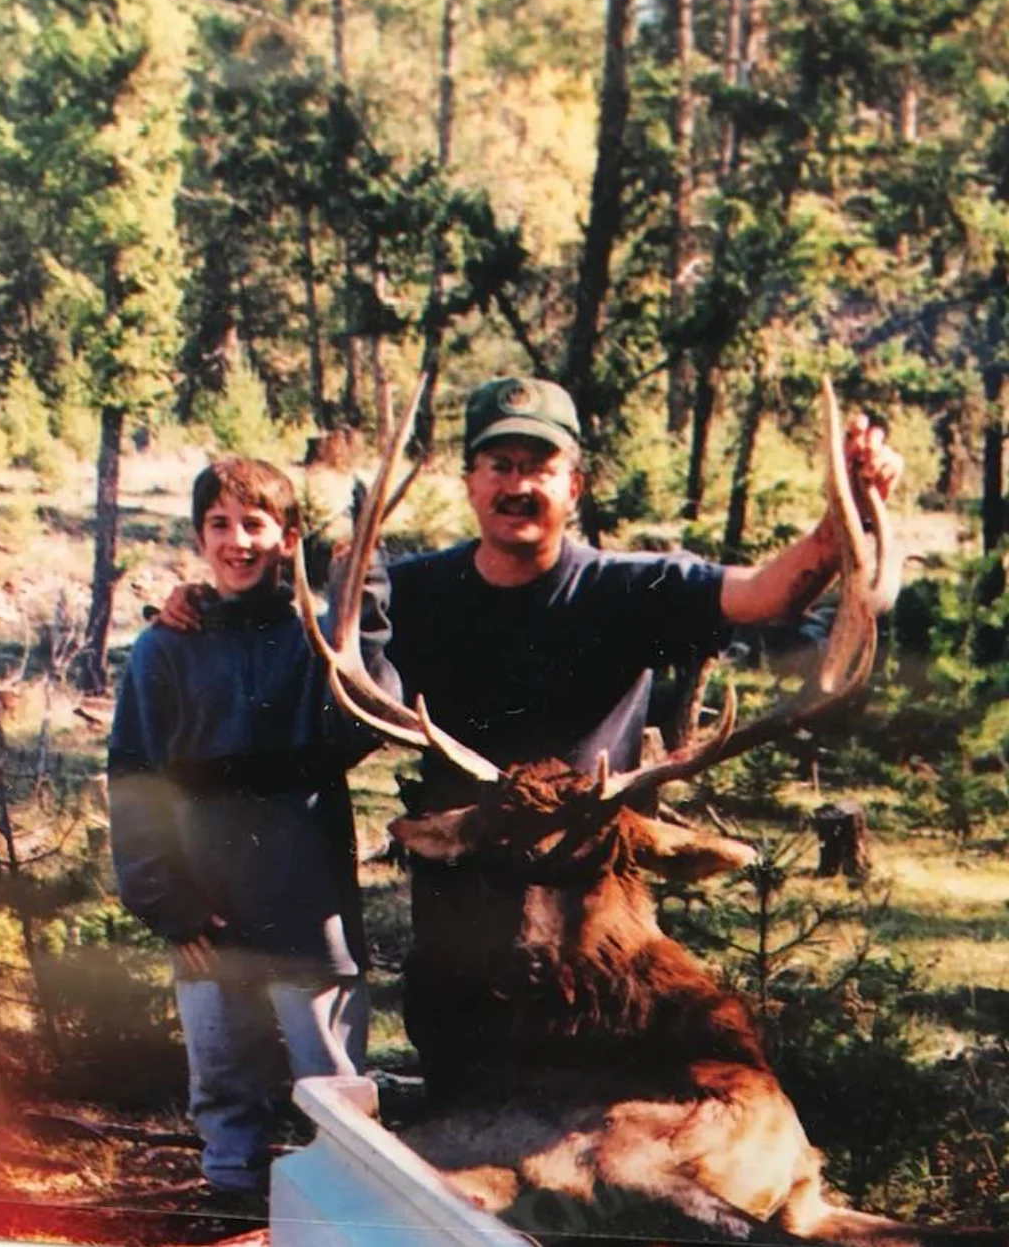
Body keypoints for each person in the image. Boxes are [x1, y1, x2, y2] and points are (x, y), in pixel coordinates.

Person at [157, 376, 902, 1084]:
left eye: (540, 468)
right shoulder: (415, 589)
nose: (518, 486)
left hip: (592, 916)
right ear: (471, 482)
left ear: (574, 485)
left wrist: (841, 523)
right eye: (500, 466)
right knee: (466, 1108)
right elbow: (303, 648)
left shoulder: (631, 588)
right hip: (462, 914)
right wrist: (205, 602)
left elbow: (771, 595)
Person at [108, 455, 393, 1209]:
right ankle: (231, 1202)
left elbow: (364, 721)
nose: (238, 541)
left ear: (288, 538)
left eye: (255, 524)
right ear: (200, 537)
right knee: (225, 1084)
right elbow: (134, 780)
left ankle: (345, 1210)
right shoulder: (166, 648)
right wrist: (164, 901)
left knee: (333, 1085)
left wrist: (361, 599)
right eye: (220, 525)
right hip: (206, 911)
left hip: (306, 904)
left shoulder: (313, 642)